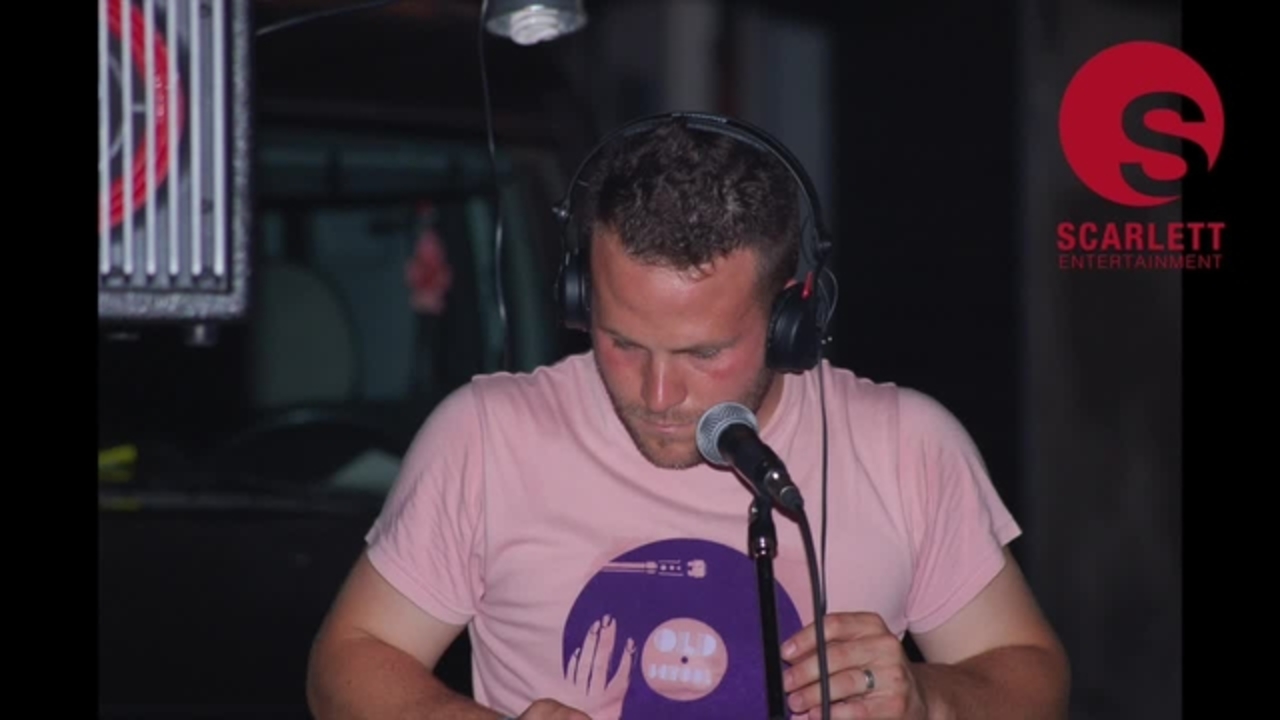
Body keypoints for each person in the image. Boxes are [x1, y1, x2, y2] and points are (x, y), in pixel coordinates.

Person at [305, 115, 1070, 720]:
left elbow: (1031, 674)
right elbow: (346, 661)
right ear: (579, 298)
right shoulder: (485, 437)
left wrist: (929, 699)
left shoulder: (906, 447)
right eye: (622, 342)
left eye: (705, 353)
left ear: (790, 321)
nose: (659, 392)